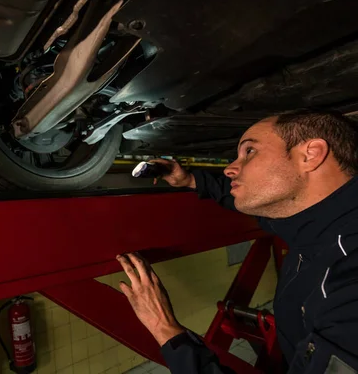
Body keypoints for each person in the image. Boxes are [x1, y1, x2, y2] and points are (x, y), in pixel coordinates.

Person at [117, 111, 358, 373]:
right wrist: (190, 180)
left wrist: (166, 330)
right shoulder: (316, 223)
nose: (229, 168)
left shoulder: (350, 282)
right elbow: (244, 198)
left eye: (250, 151)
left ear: (310, 155)